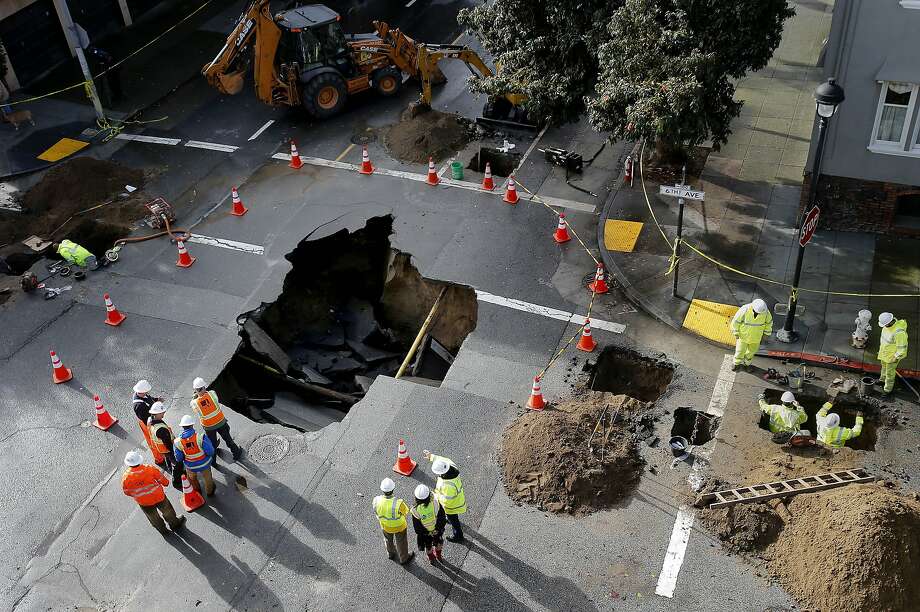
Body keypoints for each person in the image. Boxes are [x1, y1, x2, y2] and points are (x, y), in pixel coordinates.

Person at [121, 450, 185, 536]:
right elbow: (163, 480)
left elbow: (127, 492)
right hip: (158, 496)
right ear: (139, 460)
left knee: (153, 517)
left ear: (128, 464)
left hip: (144, 502)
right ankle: (175, 524)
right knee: (167, 511)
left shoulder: (126, 477)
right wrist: (166, 483)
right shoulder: (149, 469)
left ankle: (163, 530)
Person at [189, 377, 242, 461]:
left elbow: (196, 410)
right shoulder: (212, 394)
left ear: (195, 390)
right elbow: (215, 402)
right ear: (204, 387)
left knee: (212, 443)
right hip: (220, 422)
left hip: (208, 427)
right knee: (228, 438)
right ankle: (236, 453)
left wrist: (195, 396)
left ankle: (213, 461)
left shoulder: (194, 403)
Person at [424, 450, 467, 543]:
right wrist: (432, 456)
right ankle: (449, 519)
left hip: (452, 506)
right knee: (451, 517)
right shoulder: (450, 465)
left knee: (454, 520)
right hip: (454, 502)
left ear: (441, 473)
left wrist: (435, 497)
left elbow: (447, 501)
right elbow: (442, 459)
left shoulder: (448, 485)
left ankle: (458, 535)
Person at [372, 478, 414, 565]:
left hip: (385, 526)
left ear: (382, 490)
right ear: (393, 489)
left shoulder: (376, 500)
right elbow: (406, 512)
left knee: (388, 540)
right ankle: (404, 558)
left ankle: (391, 553)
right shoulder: (398, 503)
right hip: (399, 526)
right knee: (401, 542)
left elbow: (375, 511)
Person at [174, 415, 217, 496]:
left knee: (192, 479)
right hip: (204, 464)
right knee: (208, 479)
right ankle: (210, 492)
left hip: (190, 466)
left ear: (182, 426)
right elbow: (211, 451)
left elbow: (179, 458)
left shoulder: (177, 442)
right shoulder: (201, 437)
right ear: (192, 425)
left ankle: (198, 491)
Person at [729, 298, 773, 371]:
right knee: (740, 351)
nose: (759, 314)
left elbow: (769, 324)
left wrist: (766, 335)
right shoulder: (744, 310)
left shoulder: (765, 312)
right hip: (743, 336)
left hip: (756, 338)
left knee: (751, 352)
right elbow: (736, 322)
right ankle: (736, 363)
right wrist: (735, 332)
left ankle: (747, 364)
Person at [133, 380, 166, 470]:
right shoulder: (138, 406)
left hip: (151, 420)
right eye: (146, 391)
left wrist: (156, 400)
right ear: (142, 391)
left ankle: (162, 453)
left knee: (157, 440)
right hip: (147, 424)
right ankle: (159, 460)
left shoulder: (142, 394)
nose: (148, 393)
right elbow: (147, 419)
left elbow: (149, 399)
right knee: (153, 442)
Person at [411, 484, 446, 563]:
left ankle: (431, 558)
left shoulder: (415, 510)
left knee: (428, 546)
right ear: (429, 495)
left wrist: (427, 533)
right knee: (439, 543)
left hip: (425, 535)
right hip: (437, 531)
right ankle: (438, 555)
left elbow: (417, 528)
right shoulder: (435, 503)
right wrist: (437, 529)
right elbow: (442, 518)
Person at [877, 312, 908, 395]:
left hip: (892, 356)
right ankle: (882, 380)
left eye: (885, 324)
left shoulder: (899, 332)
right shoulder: (887, 326)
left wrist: (896, 357)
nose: (884, 326)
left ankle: (887, 390)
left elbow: (902, 348)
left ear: (889, 322)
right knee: (883, 367)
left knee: (890, 373)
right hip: (885, 353)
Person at [147, 401, 179, 475]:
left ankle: (170, 469)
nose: (163, 414)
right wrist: (174, 450)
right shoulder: (161, 429)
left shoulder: (150, 421)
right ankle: (177, 474)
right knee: (175, 462)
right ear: (157, 413)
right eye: (162, 413)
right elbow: (168, 444)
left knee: (167, 459)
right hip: (168, 449)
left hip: (161, 449)